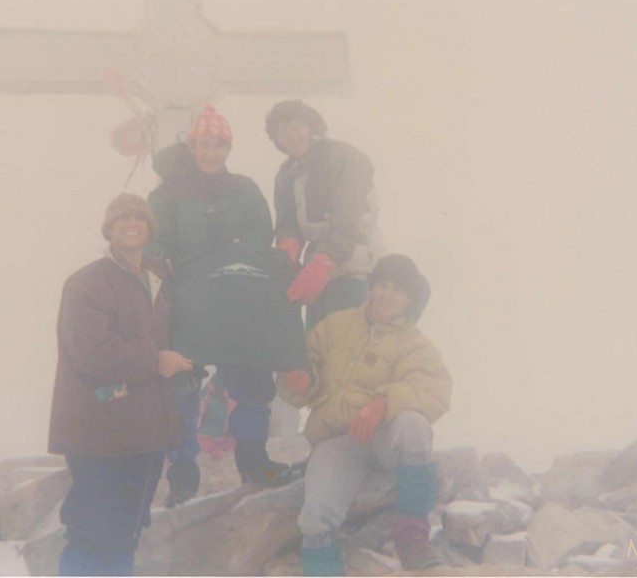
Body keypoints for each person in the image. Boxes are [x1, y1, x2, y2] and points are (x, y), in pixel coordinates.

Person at [146, 105, 294, 504]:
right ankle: (182, 471)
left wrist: (240, 253)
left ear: (228, 147)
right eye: (202, 144)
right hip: (188, 295)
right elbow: (153, 236)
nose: (209, 152)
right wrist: (164, 257)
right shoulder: (167, 192)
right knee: (184, 383)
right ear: (192, 145)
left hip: (236, 295)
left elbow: (262, 232)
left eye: (218, 145)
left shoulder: (244, 189)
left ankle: (252, 458)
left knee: (250, 377)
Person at [278, 254, 452, 575]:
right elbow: (305, 366)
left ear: (410, 299)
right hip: (338, 441)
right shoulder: (336, 325)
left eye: (398, 290)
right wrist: (299, 378)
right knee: (315, 517)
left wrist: (382, 403)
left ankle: (411, 538)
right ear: (371, 288)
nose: (387, 295)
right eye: (382, 286)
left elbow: (434, 391)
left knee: (413, 425)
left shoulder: (417, 344)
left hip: (385, 438)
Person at [48, 193, 191, 576]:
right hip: (98, 427)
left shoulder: (160, 277)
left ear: (149, 228)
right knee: (91, 528)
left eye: (139, 219)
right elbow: (90, 352)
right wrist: (155, 359)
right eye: (122, 219)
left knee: (127, 527)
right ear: (109, 229)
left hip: (145, 427)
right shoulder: (87, 283)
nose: (132, 225)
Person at [265, 99, 383, 330]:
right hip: (315, 271)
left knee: (345, 342)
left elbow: (349, 219)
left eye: (297, 126)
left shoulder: (345, 157)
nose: (291, 136)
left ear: (311, 126)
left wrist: (324, 263)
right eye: (282, 132)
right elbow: (288, 221)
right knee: (316, 342)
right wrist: (287, 252)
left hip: (354, 265)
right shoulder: (286, 174)